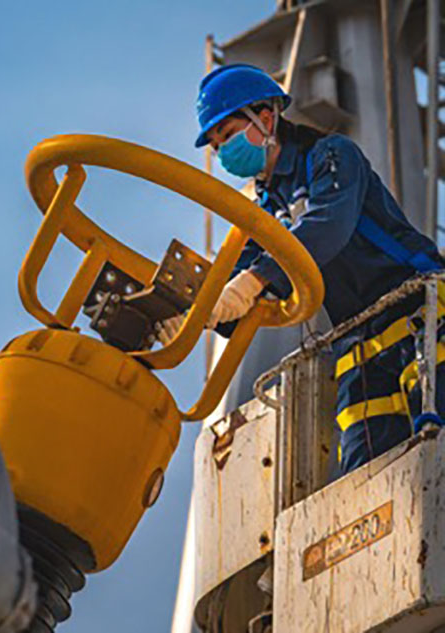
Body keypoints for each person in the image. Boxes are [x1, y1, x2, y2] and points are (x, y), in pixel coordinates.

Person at [187, 63, 444, 474]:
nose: (223, 152)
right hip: (357, 343)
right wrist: (191, 313)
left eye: (228, 134)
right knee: (366, 477)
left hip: (421, 312)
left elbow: (327, 227)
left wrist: (255, 280)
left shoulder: (331, 156)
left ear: (265, 117)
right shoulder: (263, 215)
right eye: (216, 145)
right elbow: (233, 290)